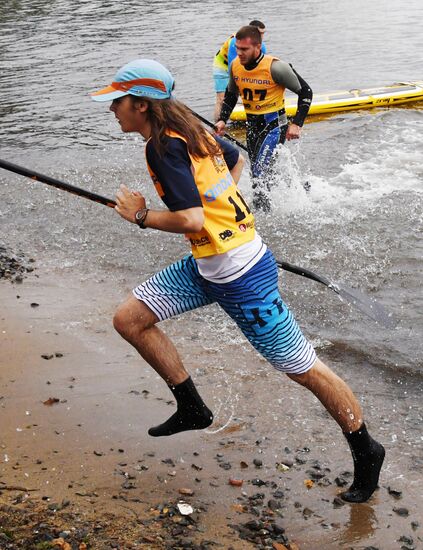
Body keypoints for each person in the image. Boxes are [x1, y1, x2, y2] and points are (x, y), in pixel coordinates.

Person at [90, 58, 385, 504]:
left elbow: (189, 216)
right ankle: (192, 406)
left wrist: (141, 215)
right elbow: (233, 160)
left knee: (303, 369)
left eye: (118, 101)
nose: (113, 109)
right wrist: (223, 219)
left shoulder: (164, 147)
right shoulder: (191, 127)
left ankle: (366, 449)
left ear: (142, 105)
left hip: (242, 277)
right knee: (130, 319)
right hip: (208, 265)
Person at [215, 25, 313, 211]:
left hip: (275, 127)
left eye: (245, 49)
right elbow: (230, 95)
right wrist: (222, 120)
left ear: (258, 47)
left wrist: (296, 124)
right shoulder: (235, 65)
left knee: (260, 172)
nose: (240, 53)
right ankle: (292, 189)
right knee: (256, 173)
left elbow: (306, 92)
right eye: (238, 48)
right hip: (252, 127)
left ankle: (262, 215)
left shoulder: (276, 67)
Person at [213, 20, 267, 123]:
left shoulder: (261, 46)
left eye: (263, 33)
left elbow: (261, 65)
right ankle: (217, 125)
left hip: (238, 65)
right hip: (222, 66)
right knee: (222, 98)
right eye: (260, 33)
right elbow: (233, 66)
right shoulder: (236, 42)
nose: (262, 36)